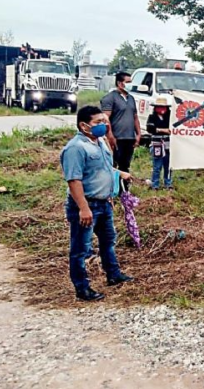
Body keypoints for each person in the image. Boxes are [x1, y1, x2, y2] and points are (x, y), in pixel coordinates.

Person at [60, 106, 134, 301]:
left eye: (104, 121)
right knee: (80, 249)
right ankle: (82, 288)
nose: (104, 125)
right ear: (84, 126)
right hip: (86, 205)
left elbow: (103, 168)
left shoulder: (100, 142)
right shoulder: (76, 148)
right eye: (98, 122)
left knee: (108, 241)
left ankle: (113, 274)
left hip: (104, 203)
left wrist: (119, 174)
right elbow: (74, 180)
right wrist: (83, 208)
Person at [101, 72, 140, 177]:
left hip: (129, 137)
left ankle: (124, 186)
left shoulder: (131, 98)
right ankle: (113, 185)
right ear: (119, 83)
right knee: (113, 164)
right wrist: (110, 136)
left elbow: (135, 117)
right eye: (128, 82)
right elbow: (105, 118)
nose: (130, 84)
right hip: (117, 137)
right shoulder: (110, 98)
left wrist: (138, 134)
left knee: (125, 165)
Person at [146, 97, 172, 191]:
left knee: (168, 165)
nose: (161, 109)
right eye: (159, 107)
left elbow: (172, 129)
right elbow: (150, 129)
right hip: (156, 144)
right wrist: (163, 130)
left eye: (163, 107)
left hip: (168, 144)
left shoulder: (170, 118)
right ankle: (155, 185)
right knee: (157, 166)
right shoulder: (152, 117)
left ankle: (168, 184)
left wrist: (158, 130)